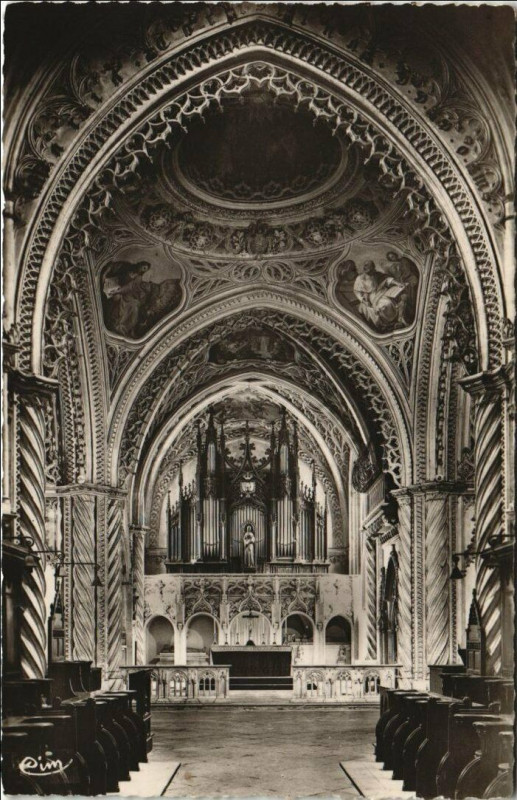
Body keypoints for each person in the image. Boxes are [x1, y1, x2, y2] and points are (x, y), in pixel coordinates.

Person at [353, 260, 406, 331]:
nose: (365, 267)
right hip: (371, 296)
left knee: (388, 303)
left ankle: (392, 322)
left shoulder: (377, 274)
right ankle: (384, 324)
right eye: (365, 266)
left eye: (368, 266)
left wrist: (397, 283)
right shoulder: (360, 278)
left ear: (372, 267)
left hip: (381, 293)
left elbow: (387, 280)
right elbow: (357, 291)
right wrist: (362, 299)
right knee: (381, 307)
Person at [383, 251, 419, 325]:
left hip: (410, 278)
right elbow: (395, 277)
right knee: (401, 295)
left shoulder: (403, 260)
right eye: (390, 258)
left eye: (392, 256)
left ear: (395, 255)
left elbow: (408, 271)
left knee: (408, 290)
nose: (392, 259)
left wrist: (401, 279)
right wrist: (399, 281)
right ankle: (403, 315)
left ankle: (408, 311)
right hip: (403, 282)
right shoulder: (393, 266)